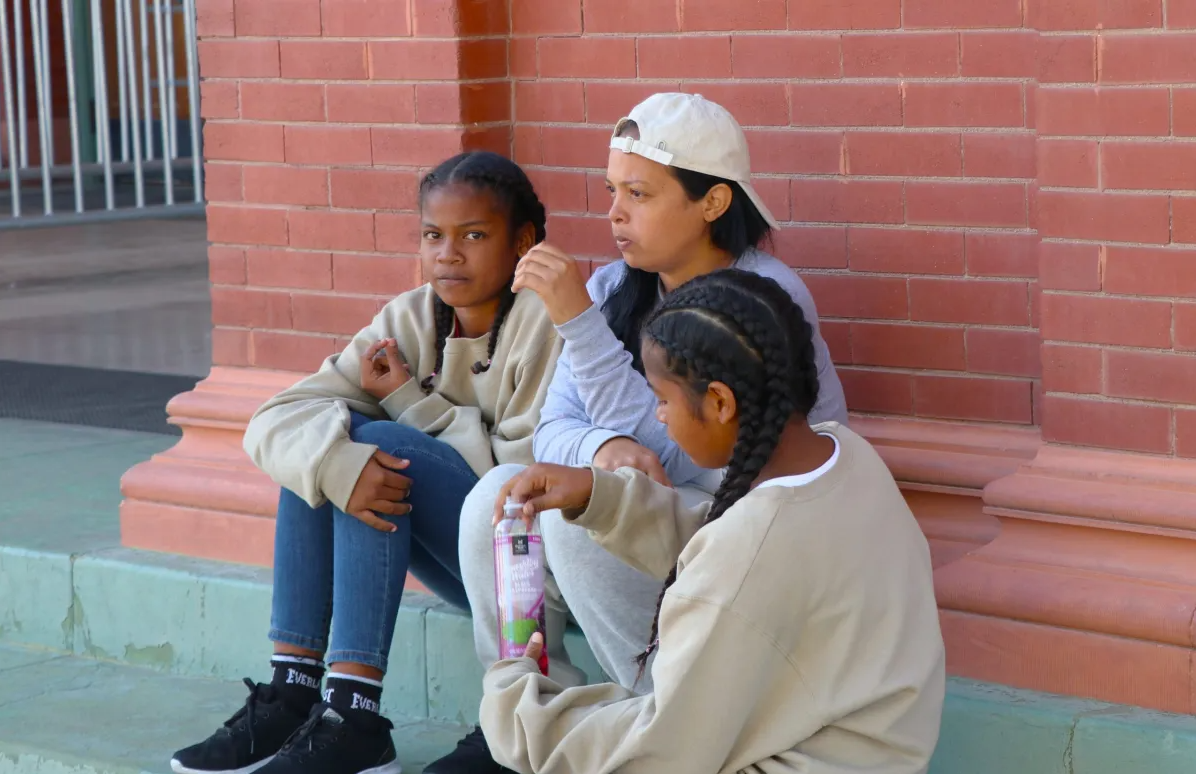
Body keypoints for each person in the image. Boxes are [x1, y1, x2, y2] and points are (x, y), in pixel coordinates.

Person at [430, 92, 849, 772]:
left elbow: (695, 457)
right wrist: (603, 445)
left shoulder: (764, 294)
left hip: (752, 543)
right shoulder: (614, 286)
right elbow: (551, 432)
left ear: (712, 203)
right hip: (668, 526)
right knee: (502, 497)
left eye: (640, 193)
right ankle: (535, 720)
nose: (615, 212)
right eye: (611, 191)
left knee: (581, 510)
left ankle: (659, 720)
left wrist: (578, 326)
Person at [168, 151, 562, 774]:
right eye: (433, 235)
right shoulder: (409, 316)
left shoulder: (546, 323)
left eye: (474, 236)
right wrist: (333, 463)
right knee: (327, 444)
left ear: (523, 241)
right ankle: (295, 689)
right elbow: (278, 416)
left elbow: (516, 486)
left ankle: (353, 713)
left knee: (382, 446)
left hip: (526, 573)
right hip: (461, 553)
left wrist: (408, 402)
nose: (448, 254)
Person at [480, 269, 945, 773]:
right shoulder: (845, 456)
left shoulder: (747, 556)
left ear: (721, 402)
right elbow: (733, 547)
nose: (658, 418)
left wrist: (516, 702)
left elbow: (659, 756)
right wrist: (602, 496)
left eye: (662, 400)